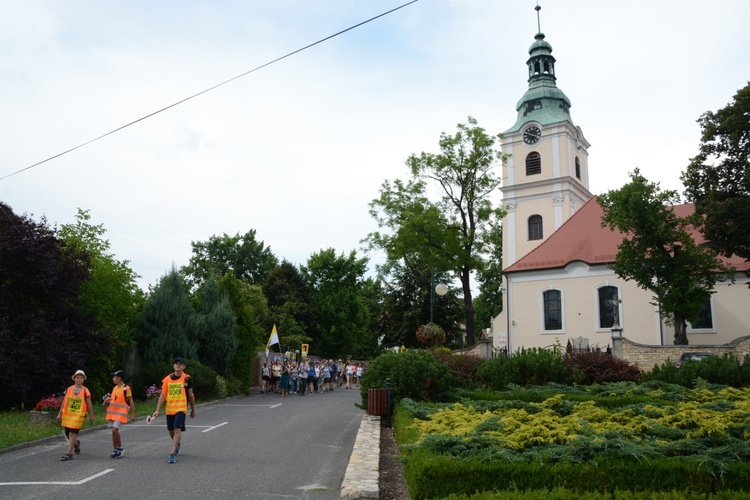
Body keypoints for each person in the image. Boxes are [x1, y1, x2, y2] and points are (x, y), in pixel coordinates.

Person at [152, 357, 196, 464]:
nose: (178, 365)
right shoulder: (167, 379)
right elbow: (163, 395)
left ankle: (172, 453)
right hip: (170, 409)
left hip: (181, 408)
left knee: (177, 429)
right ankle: (177, 445)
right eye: (176, 363)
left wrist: (193, 409)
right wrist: (158, 409)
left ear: (184, 366)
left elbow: (190, 395)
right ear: (174, 365)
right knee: (171, 430)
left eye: (180, 364)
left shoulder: (187, 378)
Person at [57, 369, 95, 461]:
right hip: (68, 415)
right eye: (77, 377)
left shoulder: (85, 390)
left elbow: (89, 403)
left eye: (81, 378)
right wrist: (60, 414)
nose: (79, 379)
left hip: (78, 416)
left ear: (83, 379)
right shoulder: (69, 389)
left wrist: (91, 415)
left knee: (72, 433)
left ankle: (69, 453)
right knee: (67, 434)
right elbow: (64, 401)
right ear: (74, 379)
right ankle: (76, 444)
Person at [104, 370, 135, 459]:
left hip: (121, 412)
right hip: (113, 413)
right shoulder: (114, 388)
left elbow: (130, 400)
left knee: (114, 430)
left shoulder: (126, 388)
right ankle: (115, 449)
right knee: (113, 432)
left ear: (119, 378)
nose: (113, 378)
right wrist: (106, 402)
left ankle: (120, 447)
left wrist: (133, 413)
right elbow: (113, 400)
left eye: (114, 377)